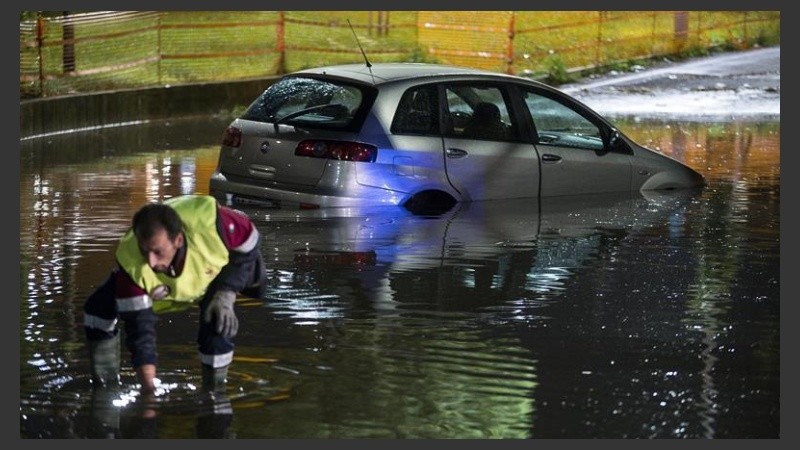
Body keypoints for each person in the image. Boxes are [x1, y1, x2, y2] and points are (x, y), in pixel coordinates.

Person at [83, 194, 266, 394]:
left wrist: (227, 293)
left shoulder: (214, 224)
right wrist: (149, 391)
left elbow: (250, 243)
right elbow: (140, 332)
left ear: (178, 240)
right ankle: (105, 388)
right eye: (144, 252)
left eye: (158, 252)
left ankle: (216, 391)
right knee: (97, 311)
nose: (151, 263)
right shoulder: (131, 265)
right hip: (168, 286)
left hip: (217, 274)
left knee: (218, 319)